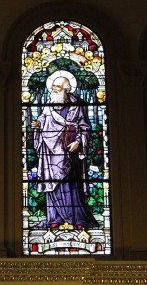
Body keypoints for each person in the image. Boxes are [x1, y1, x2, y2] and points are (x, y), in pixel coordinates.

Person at [31, 71, 99, 230]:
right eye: (53, 86)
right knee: (53, 185)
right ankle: (54, 219)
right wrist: (39, 126)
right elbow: (43, 119)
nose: (53, 89)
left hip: (69, 153)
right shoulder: (49, 104)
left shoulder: (77, 105)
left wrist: (77, 142)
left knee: (70, 186)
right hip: (50, 153)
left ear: (66, 89)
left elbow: (84, 128)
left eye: (57, 87)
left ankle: (75, 219)